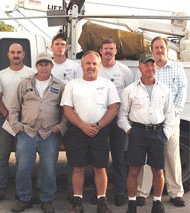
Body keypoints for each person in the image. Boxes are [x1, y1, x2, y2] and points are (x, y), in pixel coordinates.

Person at [61, 51, 120, 213]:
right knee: (78, 168)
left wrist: (99, 126)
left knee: (100, 168)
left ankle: (102, 203)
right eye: (87, 63)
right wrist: (82, 125)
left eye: (94, 63)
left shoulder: (108, 84)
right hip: (78, 132)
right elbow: (67, 109)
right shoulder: (72, 85)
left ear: (99, 66)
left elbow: (114, 107)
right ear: (82, 66)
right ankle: (77, 203)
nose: (91, 66)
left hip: (100, 132)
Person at [8, 52, 66, 213]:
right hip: (27, 132)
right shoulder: (25, 84)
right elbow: (14, 108)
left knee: (49, 168)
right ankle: (24, 198)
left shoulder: (60, 86)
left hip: (49, 134)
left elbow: (66, 111)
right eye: (41, 64)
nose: (44, 67)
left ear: (52, 66)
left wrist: (60, 128)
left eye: (47, 64)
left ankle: (46, 200)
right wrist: (17, 127)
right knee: (23, 167)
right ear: (36, 66)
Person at [119, 53, 175, 213]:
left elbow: (170, 114)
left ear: (155, 67)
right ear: (140, 67)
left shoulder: (165, 90)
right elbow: (122, 115)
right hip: (137, 133)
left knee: (158, 170)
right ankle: (132, 203)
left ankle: (157, 203)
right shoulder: (130, 90)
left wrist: (165, 134)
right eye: (146, 65)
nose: (150, 68)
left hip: (158, 134)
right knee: (134, 170)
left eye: (152, 64)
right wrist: (130, 131)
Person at [136, 36, 187, 208]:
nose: (159, 51)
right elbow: (139, 91)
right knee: (148, 157)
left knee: (172, 156)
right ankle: (142, 192)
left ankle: (175, 193)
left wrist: (172, 115)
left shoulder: (177, 68)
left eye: (162, 48)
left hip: (171, 121)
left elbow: (182, 92)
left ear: (167, 49)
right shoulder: (145, 68)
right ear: (152, 50)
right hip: (150, 121)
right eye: (156, 48)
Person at [0, 43, 35, 204]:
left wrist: (23, 118)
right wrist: (7, 115)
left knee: (23, 159)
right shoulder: (1, 75)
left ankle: (22, 193)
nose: (16, 55)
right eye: (13, 52)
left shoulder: (31, 73)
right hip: (6, 120)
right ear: (8, 55)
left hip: (25, 122)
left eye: (19, 52)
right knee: (1, 158)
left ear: (23, 54)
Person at [97, 38, 134, 206]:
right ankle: (101, 194)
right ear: (100, 51)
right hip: (101, 121)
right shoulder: (96, 69)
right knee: (100, 159)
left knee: (119, 157)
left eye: (111, 48)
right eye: (106, 49)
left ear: (116, 51)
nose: (108, 51)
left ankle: (120, 192)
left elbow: (130, 95)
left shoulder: (125, 71)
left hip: (118, 121)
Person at [50, 33, 83, 203]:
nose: (60, 46)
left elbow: (79, 88)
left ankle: (73, 190)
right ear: (51, 47)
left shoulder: (75, 67)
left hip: (70, 115)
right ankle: (47, 190)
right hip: (52, 115)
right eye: (57, 44)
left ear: (67, 47)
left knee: (73, 154)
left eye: (63, 44)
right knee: (49, 154)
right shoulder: (47, 66)